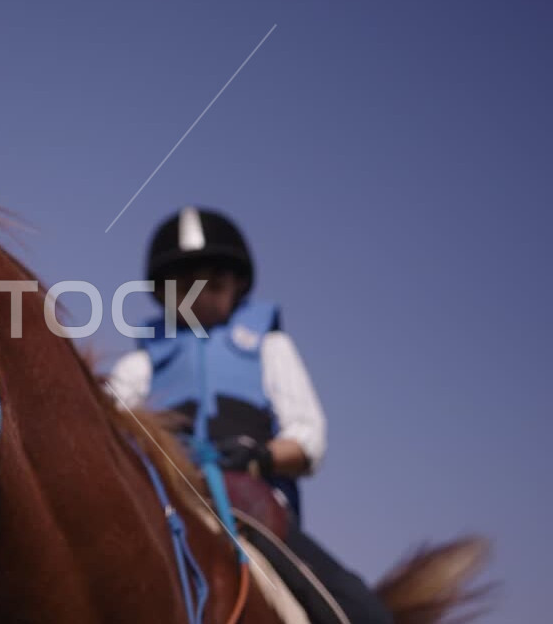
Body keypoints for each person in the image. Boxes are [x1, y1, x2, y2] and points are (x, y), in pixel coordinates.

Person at [109, 206, 392, 624]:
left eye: (213, 283)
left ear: (238, 285)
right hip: (169, 499)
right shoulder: (143, 363)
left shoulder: (268, 347)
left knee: (363, 613)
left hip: (249, 502)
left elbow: (308, 437)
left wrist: (258, 458)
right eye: (184, 286)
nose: (198, 296)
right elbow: (105, 418)